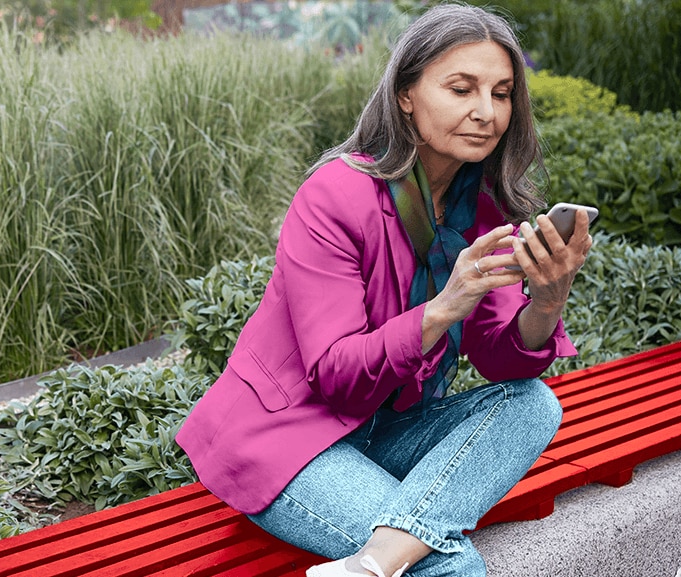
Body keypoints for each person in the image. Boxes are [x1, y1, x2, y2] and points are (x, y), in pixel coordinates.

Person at [175, 3, 594, 577]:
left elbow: (502, 365)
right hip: (289, 439)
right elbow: (338, 375)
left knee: (532, 406)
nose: (485, 112)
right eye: (461, 88)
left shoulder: (482, 209)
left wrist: (547, 299)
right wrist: (446, 305)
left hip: (385, 430)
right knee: (449, 566)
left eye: (500, 94)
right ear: (405, 93)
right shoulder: (335, 196)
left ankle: (371, 563)